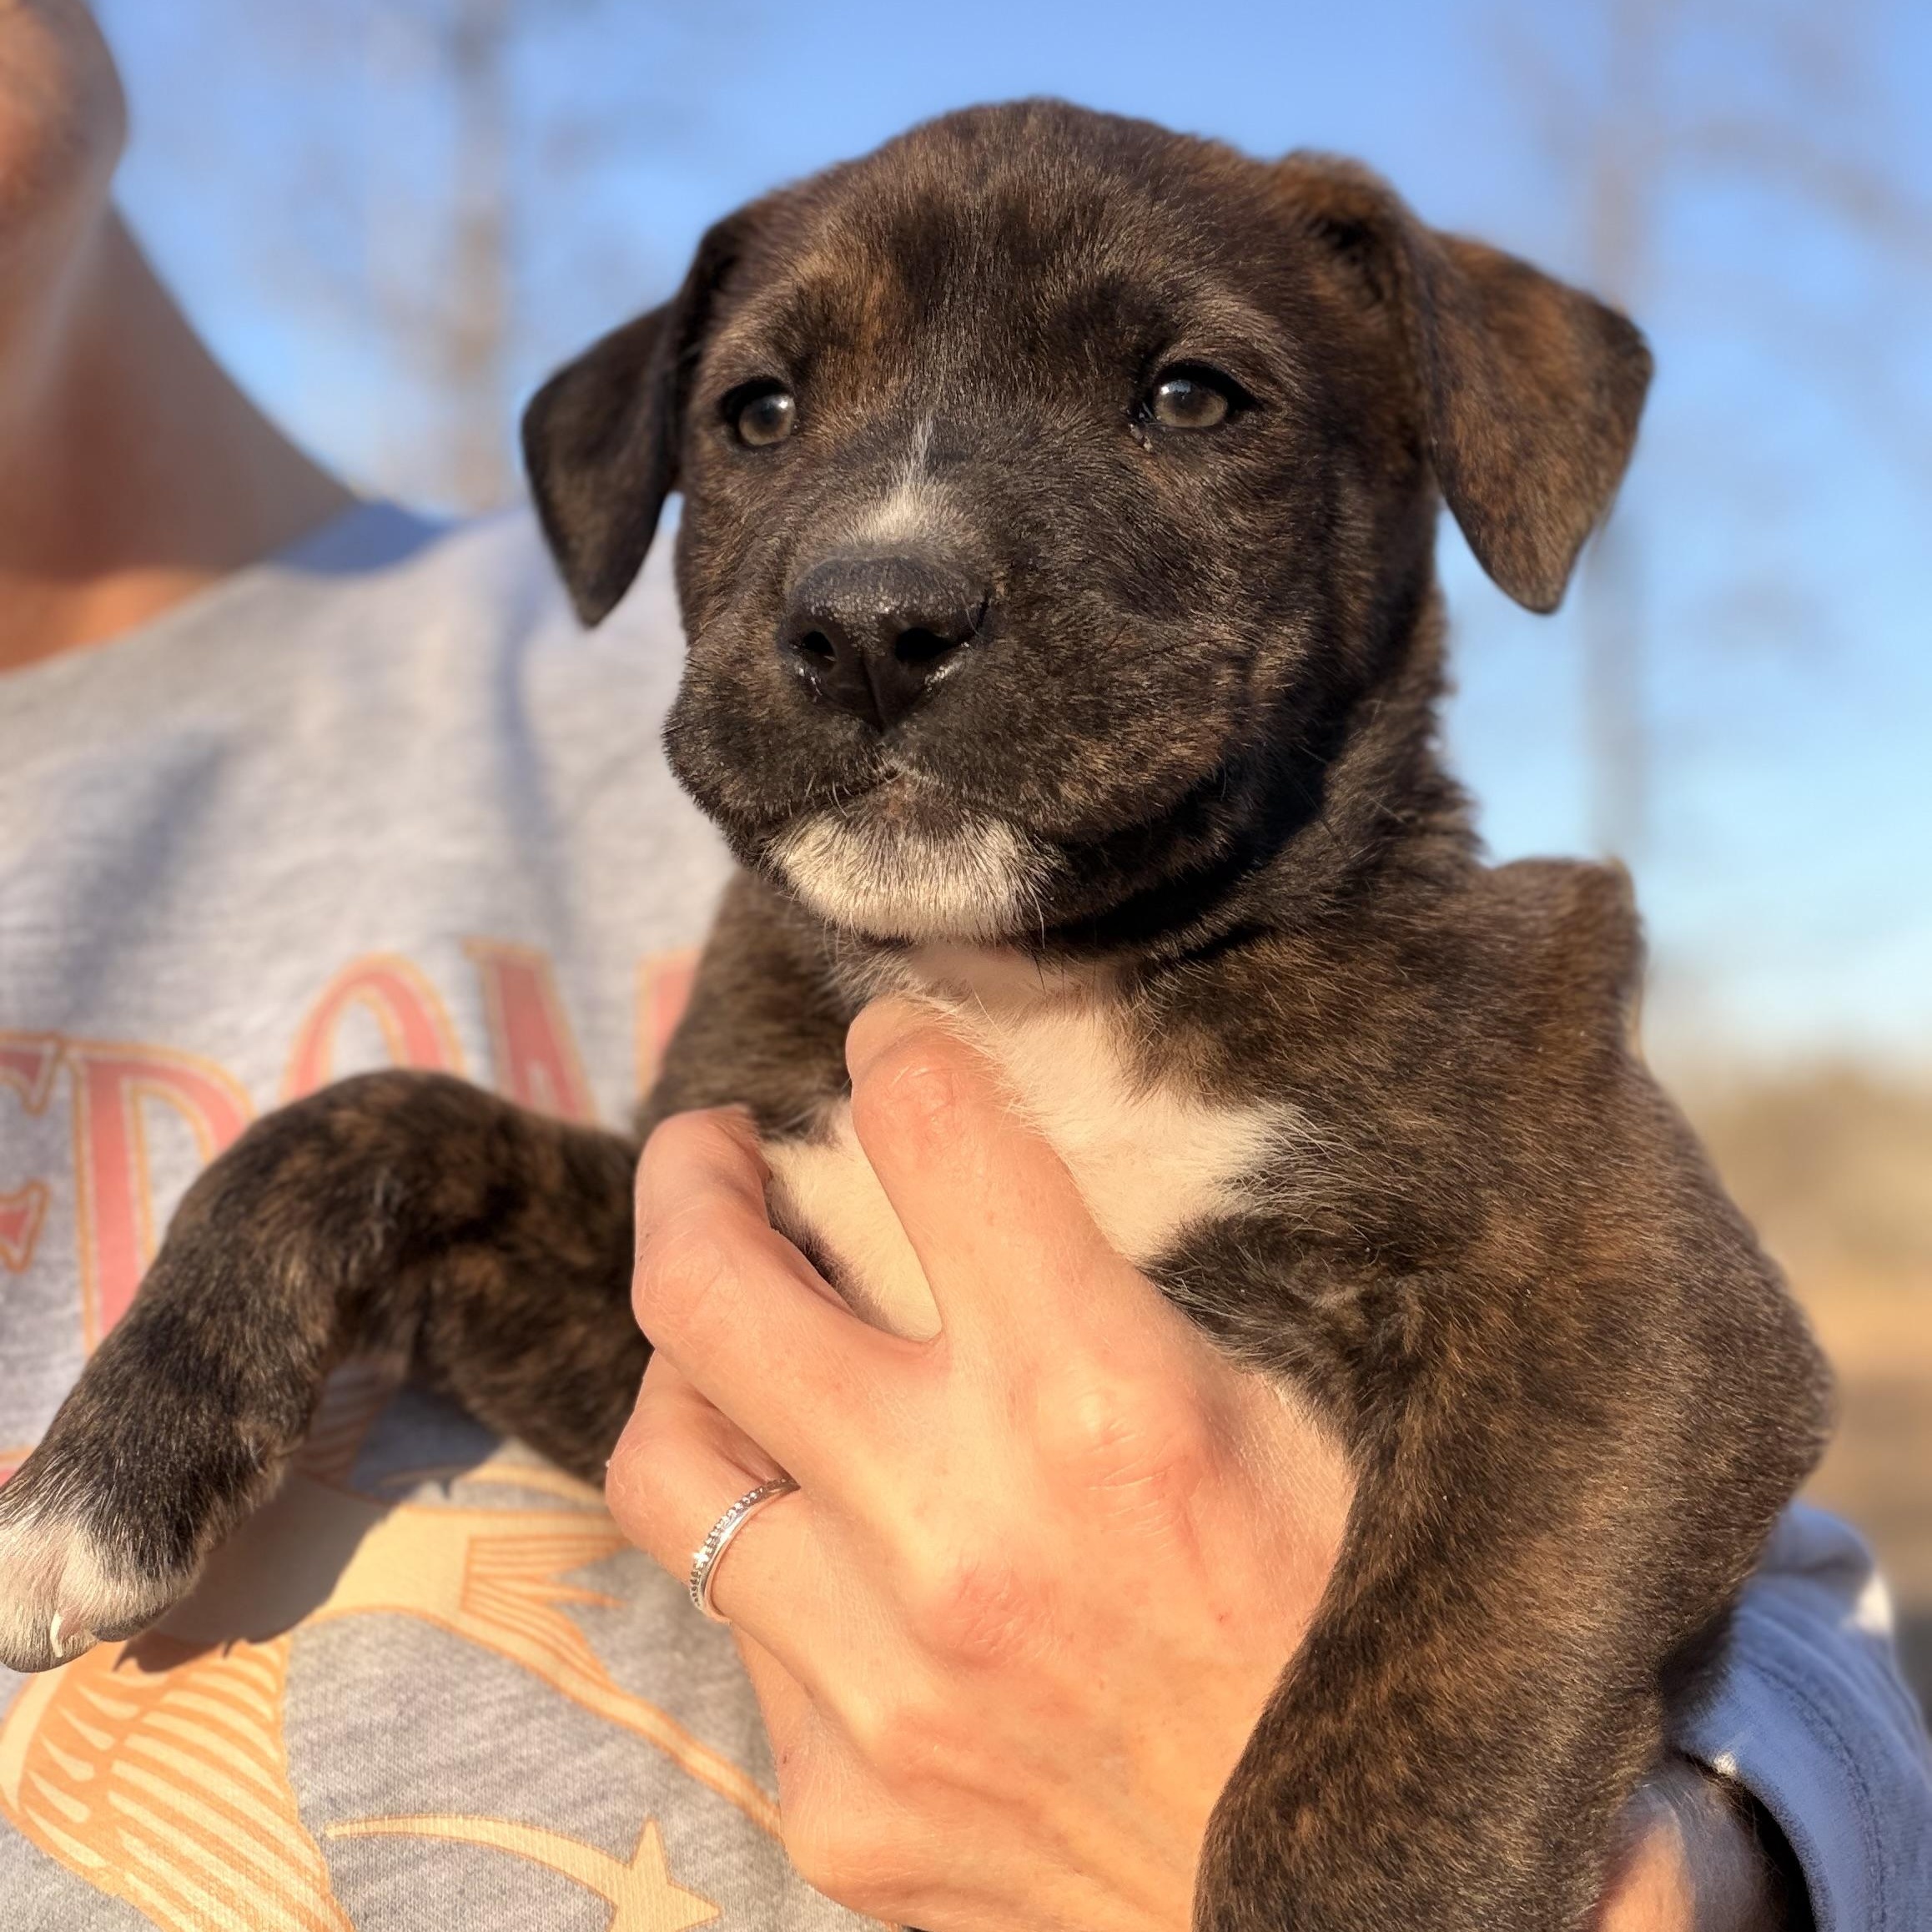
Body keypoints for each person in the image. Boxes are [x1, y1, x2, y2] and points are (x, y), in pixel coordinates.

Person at [2, 3, 1926, 1927]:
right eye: (765, 416)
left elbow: (1697, 1376)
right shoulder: (784, 997)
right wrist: (367, 1193)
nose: (879, 574)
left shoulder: (1445, 1037)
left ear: (1448, 454)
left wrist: (1434, 1876)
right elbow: (706, 1374)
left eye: (1188, 399)